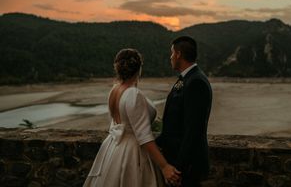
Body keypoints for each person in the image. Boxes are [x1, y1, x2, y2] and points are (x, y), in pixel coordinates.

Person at [84, 48, 181, 187]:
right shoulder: (133, 94)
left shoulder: (115, 90)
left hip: (113, 148)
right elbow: (144, 137)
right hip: (132, 153)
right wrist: (165, 166)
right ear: (139, 69)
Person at [156, 36, 213, 187]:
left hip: (187, 167)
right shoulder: (186, 79)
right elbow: (176, 123)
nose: (170, 57)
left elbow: (193, 130)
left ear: (179, 54)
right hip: (177, 161)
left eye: (172, 53)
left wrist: (179, 168)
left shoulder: (196, 82)